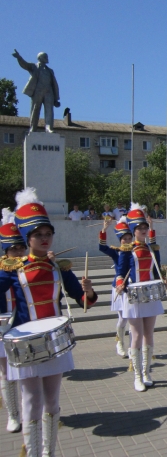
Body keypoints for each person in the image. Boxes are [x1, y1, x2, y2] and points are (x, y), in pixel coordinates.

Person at [0, 188, 97, 457]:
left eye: (47, 234)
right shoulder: (12, 268)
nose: (44, 239)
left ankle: (49, 453)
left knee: (52, 402)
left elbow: (83, 301)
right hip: (26, 344)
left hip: (54, 340)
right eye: (37, 235)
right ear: (27, 238)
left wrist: (87, 290)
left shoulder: (60, 268)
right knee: (31, 401)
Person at [115, 204, 167, 392]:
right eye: (139, 228)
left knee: (149, 334)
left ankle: (147, 372)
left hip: (151, 294)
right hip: (134, 295)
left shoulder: (153, 248)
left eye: (145, 227)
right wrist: (120, 283)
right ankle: (137, 375)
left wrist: (163, 280)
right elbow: (120, 273)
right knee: (136, 335)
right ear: (133, 230)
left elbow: (156, 269)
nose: (143, 230)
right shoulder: (127, 249)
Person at [0, 208, 27, 433]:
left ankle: (29, 411)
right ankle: (13, 414)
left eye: (21, 247)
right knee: (6, 372)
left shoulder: (29, 268)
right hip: (2, 327)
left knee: (28, 371)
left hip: (24, 327)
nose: (18, 252)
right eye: (13, 248)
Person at [99, 217, 133, 358]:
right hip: (119, 287)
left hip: (132, 287)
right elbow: (102, 247)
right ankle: (119, 342)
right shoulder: (116, 251)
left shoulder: (135, 250)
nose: (127, 240)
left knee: (133, 319)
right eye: (124, 238)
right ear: (120, 240)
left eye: (129, 238)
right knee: (123, 319)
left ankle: (133, 347)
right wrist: (104, 230)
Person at [11, 50, 60, 133]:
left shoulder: (50, 70)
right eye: (45, 57)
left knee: (49, 110)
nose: (47, 58)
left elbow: (54, 84)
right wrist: (19, 57)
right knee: (35, 109)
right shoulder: (34, 66)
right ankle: (33, 127)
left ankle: (48, 127)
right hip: (38, 91)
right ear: (40, 58)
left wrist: (56, 98)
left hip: (49, 92)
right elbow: (25, 65)